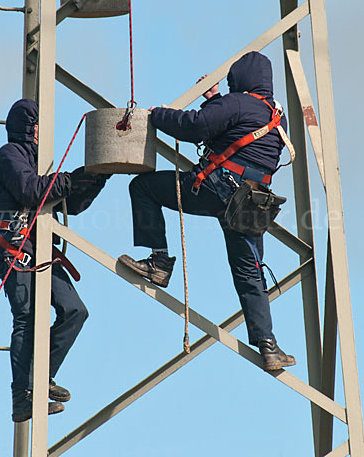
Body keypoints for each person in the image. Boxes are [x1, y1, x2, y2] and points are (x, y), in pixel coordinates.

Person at [118, 51, 295, 371]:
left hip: (218, 189)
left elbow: (196, 127)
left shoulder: (239, 103)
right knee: (250, 274)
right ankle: (269, 346)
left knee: (141, 188)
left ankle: (159, 262)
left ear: (240, 80)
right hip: (252, 204)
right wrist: (217, 100)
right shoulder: (277, 117)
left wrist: (157, 115)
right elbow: (233, 132)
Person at [0, 99, 111, 422]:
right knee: (26, 316)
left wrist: (94, 178)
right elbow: (31, 191)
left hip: (38, 249)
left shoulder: (39, 161)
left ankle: (41, 377)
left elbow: (69, 203)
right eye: (38, 124)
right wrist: (68, 179)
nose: (43, 131)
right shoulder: (9, 156)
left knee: (75, 311)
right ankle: (22, 397)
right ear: (28, 127)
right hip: (12, 248)